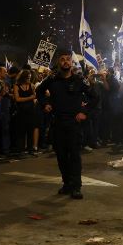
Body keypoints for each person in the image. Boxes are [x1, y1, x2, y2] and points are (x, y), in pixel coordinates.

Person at [36, 50, 93, 199]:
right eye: (62, 60)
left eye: (68, 59)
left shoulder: (79, 80)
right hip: (58, 123)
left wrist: (84, 112)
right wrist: (45, 104)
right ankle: (67, 184)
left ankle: (76, 186)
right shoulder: (52, 80)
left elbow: (95, 97)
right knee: (61, 156)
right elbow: (39, 91)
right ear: (58, 63)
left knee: (74, 156)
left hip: (74, 124)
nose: (66, 62)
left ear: (72, 62)